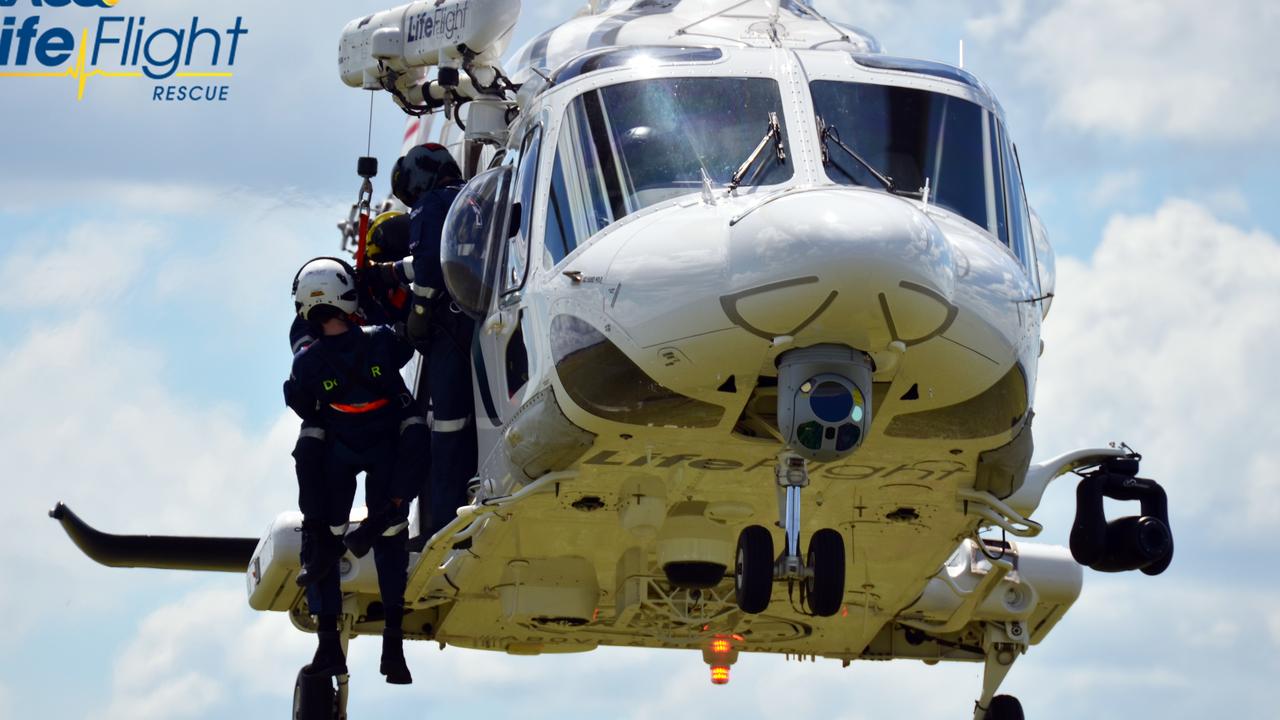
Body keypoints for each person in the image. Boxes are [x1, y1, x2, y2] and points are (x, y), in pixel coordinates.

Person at [284, 257, 418, 685]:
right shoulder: (381, 341)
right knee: (391, 539)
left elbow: (303, 402)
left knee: (321, 539)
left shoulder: (307, 364)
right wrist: (381, 290)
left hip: (339, 448)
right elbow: (409, 336)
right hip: (384, 445)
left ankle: (329, 647)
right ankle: (392, 647)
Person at [364, 144, 478, 539]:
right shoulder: (476, 197)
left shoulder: (430, 206)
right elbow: (443, 255)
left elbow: (430, 269)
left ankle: (445, 522)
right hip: (481, 321)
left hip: (450, 327)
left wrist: (417, 316)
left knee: (446, 428)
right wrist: (393, 273)